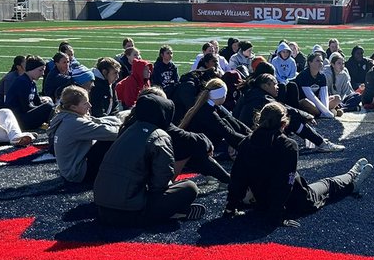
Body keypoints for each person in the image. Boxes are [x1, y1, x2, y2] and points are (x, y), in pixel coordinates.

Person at [224, 101, 372, 227]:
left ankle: (353, 176)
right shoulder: (288, 145)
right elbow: (285, 182)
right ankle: (352, 179)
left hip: (263, 202)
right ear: (284, 123)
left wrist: (230, 208)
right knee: (329, 184)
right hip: (296, 201)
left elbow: (238, 177)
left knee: (322, 184)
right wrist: (277, 216)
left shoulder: (247, 142)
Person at [94, 90, 205, 225]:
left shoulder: (127, 129)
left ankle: (174, 212)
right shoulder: (159, 135)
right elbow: (161, 182)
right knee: (190, 187)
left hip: (102, 207)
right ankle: (171, 213)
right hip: (129, 211)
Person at [235, 72, 343, 151]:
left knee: (288, 117)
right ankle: (322, 143)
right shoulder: (262, 97)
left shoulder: (249, 94)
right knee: (291, 119)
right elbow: (285, 109)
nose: (277, 87)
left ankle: (320, 142)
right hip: (251, 139)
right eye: (274, 84)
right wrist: (306, 116)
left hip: (243, 137)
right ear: (265, 86)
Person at [47, 85, 122, 184]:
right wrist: (126, 127)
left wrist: (119, 121)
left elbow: (96, 121)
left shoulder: (66, 115)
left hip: (70, 170)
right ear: (73, 107)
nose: (90, 106)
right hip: (77, 174)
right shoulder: (75, 123)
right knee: (111, 141)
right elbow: (111, 133)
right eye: (85, 103)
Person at [177, 79, 250, 154]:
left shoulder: (209, 105)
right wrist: (251, 142)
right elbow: (227, 132)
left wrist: (250, 134)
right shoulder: (207, 112)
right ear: (221, 96)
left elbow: (232, 120)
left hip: (200, 146)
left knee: (226, 120)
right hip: (195, 152)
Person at [5, 55, 55, 131]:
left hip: (24, 116)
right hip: (17, 121)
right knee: (48, 107)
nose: (43, 74)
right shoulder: (22, 82)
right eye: (40, 70)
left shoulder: (31, 82)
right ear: (32, 69)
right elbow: (26, 107)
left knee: (49, 103)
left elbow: (37, 101)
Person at [296, 52, 341, 118]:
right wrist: (327, 113)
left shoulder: (322, 76)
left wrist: (326, 112)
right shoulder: (303, 75)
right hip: (306, 101)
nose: (321, 63)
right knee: (305, 102)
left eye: (321, 61)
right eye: (317, 61)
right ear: (310, 62)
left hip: (317, 102)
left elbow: (324, 96)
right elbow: (310, 96)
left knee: (337, 98)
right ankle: (323, 113)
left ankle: (321, 113)